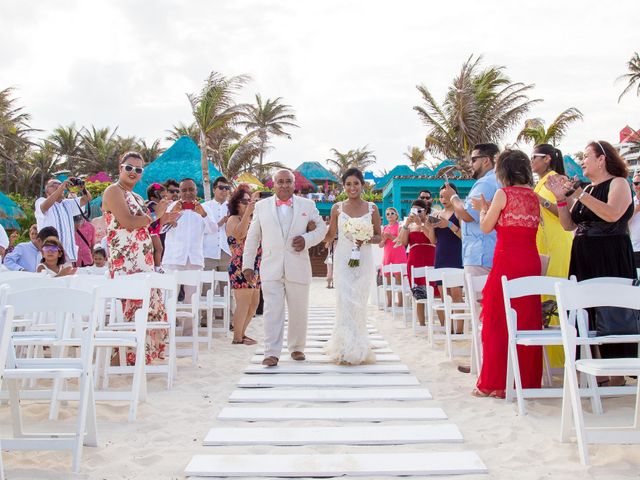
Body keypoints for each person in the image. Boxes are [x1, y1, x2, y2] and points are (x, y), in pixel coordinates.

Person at [546, 140, 636, 385]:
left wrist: (578, 193)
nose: (583, 161)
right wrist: (561, 199)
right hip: (583, 254)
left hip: (610, 253)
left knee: (613, 310)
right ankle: (596, 370)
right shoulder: (588, 190)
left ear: (602, 159)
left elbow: (612, 214)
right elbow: (568, 225)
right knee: (586, 311)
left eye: (586, 156)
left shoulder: (619, 183)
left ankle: (617, 373)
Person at [471, 149, 542, 399]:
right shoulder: (534, 197)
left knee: (497, 320)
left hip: (507, 261)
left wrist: (482, 208)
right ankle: (526, 380)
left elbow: (486, 226)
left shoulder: (503, 193)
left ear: (504, 171)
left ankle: (495, 381)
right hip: (531, 261)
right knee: (527, 319)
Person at [243, 169, 327, 367]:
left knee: (299, 310)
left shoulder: (308, 205)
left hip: (298, 264)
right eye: (280, 181)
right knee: (273, 310)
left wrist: (307, 240)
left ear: (293, 184)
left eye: (288, 181)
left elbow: (322, 229)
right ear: (273, 184)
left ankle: (297, 347)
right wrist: (247, 265)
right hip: (270, 266)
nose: (284, 185)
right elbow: (253, 236)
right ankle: (271, 352)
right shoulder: (262, 207)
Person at [102, 151, 171, 365]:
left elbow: (146, 226)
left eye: (138, 169)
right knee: (130, 315)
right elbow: (128, 222)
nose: (133, 172)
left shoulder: (138, 197)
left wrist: (165, 218)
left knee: (146, 312)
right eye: (129, 167)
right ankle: (120, 362)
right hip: (126, 263)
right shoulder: (114, 191)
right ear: (120, 168)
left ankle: (138, 360)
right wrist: (154, 216)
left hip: (142, 263)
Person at [323, 168, 382, 365]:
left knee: (359, 300)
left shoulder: (372, 208)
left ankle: (358, 343)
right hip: (343, 259)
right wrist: (313, 235)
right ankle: (344, 346)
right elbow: (331, 234)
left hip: (363, 259)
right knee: (345, 299)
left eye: (356, 183)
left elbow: (378, 236)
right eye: (348, 184)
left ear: (362, 185)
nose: (352, 187)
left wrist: (365, 238)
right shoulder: (337, 208)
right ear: (344, 186)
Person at [531, 144, 574, 367]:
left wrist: (542, 201)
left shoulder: (557, 179)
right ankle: (549, 360)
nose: (531, 162)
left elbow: (566, 211)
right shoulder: (539, 181)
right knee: (544, 300)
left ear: (547, 158)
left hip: (558, 244)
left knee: (555, 299)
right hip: (543, 245)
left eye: (534, 157)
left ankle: (561, 360)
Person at [440, 143, 500, 278]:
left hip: (480, 254)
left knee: (476, 298)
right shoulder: (498, 180)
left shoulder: (485, 183)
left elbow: (467, 215)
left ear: (486, 160)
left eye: (473, 160)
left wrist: (453, 197)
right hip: (490, 251)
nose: (470, 164)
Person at [162, 178, 216, 326]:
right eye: (184, 190)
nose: (187, 193)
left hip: (194, 259)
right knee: (170, 296)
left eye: (190, 189)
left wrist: (203, 214)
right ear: (179, 192)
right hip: (173, 259)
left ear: (196, 191)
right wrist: (172, 214)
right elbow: (160, 229)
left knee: (191, 298)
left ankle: (188, 332)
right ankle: (167, 330)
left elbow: (213, 230)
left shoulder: (204, 209)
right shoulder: (171, 206)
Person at [227, 187, 261, 345]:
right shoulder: (233, 218)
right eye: (244, 201)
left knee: (254, 304)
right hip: (240, 265)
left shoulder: (254, 219)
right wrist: (248, 213)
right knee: (243, 303)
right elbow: (239, 234)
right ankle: (237, 337)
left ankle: (242, 333)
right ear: (236, 203)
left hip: (256, 265)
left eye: (250, 201)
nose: (248, 204)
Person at [397, 199, 436, 326]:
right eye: (414, 211)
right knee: (419, 293)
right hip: (414, 259)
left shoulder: (432, 221)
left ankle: (442, 324)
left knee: (436, 292)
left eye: (420, 211)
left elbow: (433, 239)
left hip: (431, 257)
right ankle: (422, 324)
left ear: (425, 211)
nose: (417, 213)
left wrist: (422, 225)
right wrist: (406, 225)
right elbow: (403, 243)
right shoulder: (409, 225)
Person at [35, 177, 91, 264]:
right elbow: (44, 207)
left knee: (67, 276)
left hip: (66, 254)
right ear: (46, 192)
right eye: (53, 185)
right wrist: (61, 188)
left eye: (59, 184)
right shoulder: (41, 201)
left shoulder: (67, 203)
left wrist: (83, 189)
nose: (57, 186)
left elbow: (86, 199)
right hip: (49, 252)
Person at [433, 182, 464, 330]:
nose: (443, 199)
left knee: (456, 295)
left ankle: (458, 331)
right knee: (444, 295)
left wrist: (449, 225)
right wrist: (429, 226)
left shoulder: (459, 212)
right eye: (441, 197)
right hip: (440, 256)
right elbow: (433, 241)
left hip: (455, 255)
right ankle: (448, 329)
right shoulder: (437, 214)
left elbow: (464, 236)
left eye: (446, 196)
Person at [202, 176, 232, 278]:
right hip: (208, 251)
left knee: (226, 287)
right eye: (221, 187)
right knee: (206, 288)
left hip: (227, 251)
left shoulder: (232, 208)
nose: (224, 190)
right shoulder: (204, 207)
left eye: (226, 188)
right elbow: (200, 229)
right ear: (214, 189)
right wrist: (218, 224)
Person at [378, 207, 407, 307]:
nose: (390, 215)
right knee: (387, 278)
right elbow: (381, 245)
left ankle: (400, 303)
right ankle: (389, 303)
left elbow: (401, 241)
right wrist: (383, 240)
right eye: (388, 214)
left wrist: (390, 236)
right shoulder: (384, 228)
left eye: (392, 213)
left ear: (396, 215)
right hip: (388, 254)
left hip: (398, 254)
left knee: (399, 278)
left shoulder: (400, 226)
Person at [146, 183, 170, 271]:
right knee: (159, 248)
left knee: (159, 249)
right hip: (151, 231)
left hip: (155, 230)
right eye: (162, 197)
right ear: (153, 198)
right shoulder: (152, 204)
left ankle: (157, 265)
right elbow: (159, 213)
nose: (165, 199)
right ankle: (157, 267)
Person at [629, 171, 640, 268]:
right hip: (635, 248)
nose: (638, 186)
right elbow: (623, 224)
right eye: (636, 183)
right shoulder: (629, 202)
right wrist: (635, 210)